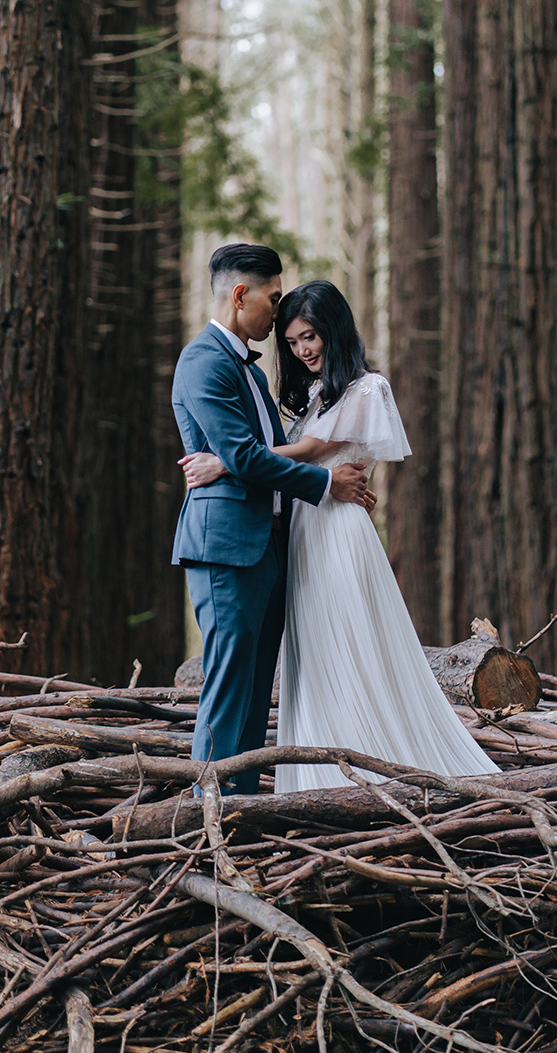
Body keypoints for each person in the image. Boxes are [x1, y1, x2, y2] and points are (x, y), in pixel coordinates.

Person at [180, 279, 501, 791]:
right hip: (305, 526)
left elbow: (307, 451)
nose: (302, 350)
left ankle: (362, 765)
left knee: (347, 640)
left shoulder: (365, 386)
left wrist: (226, 462)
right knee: (311, 650)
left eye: (310, 337)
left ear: (334, 330)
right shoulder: (315, 392)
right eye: (292, 342)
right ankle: (314, 772)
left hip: (335, 529)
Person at [170, 244, 377, 794]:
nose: (278, 310)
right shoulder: (203, 361)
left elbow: (252, 453)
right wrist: (327, 482)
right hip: (227, 547)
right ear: (241, 295)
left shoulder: (250, 372)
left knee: (256, 685)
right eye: (273, 297)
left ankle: (240, 803)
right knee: (229, 679)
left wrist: (232, 458)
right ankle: (206, 807)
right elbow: (244, 455)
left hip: (267, 545)